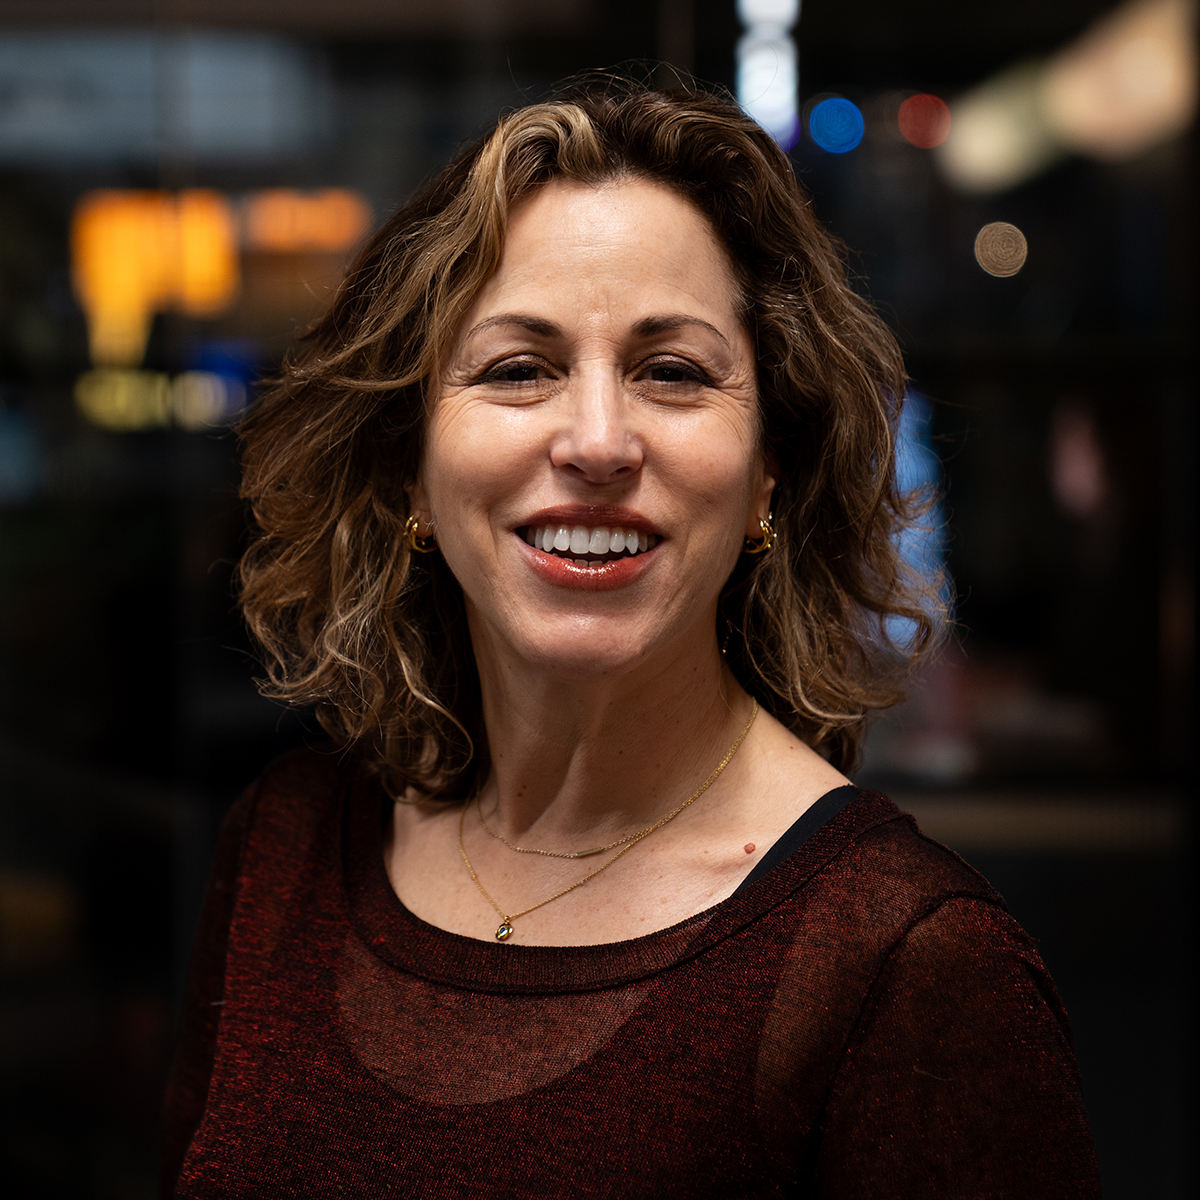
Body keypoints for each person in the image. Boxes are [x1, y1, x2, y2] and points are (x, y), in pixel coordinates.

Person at [161, 77, 1101, 1197]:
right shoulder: (286, 849)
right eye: (519, 369)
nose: (599, 443)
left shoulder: (907, 964)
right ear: (410, 468)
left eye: (672, 372)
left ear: (767, 474)